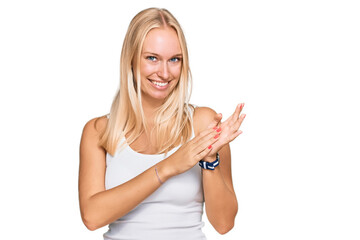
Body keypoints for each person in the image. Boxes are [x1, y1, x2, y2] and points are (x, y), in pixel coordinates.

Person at [78, 8, 245, 240]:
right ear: (131, 59)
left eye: (174, 59)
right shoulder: (99, 132)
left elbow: (224, 224)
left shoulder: (202, 123)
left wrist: (209, 160)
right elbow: (92, 217)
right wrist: (168, 167)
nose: (164, 73)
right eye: (152, 58)